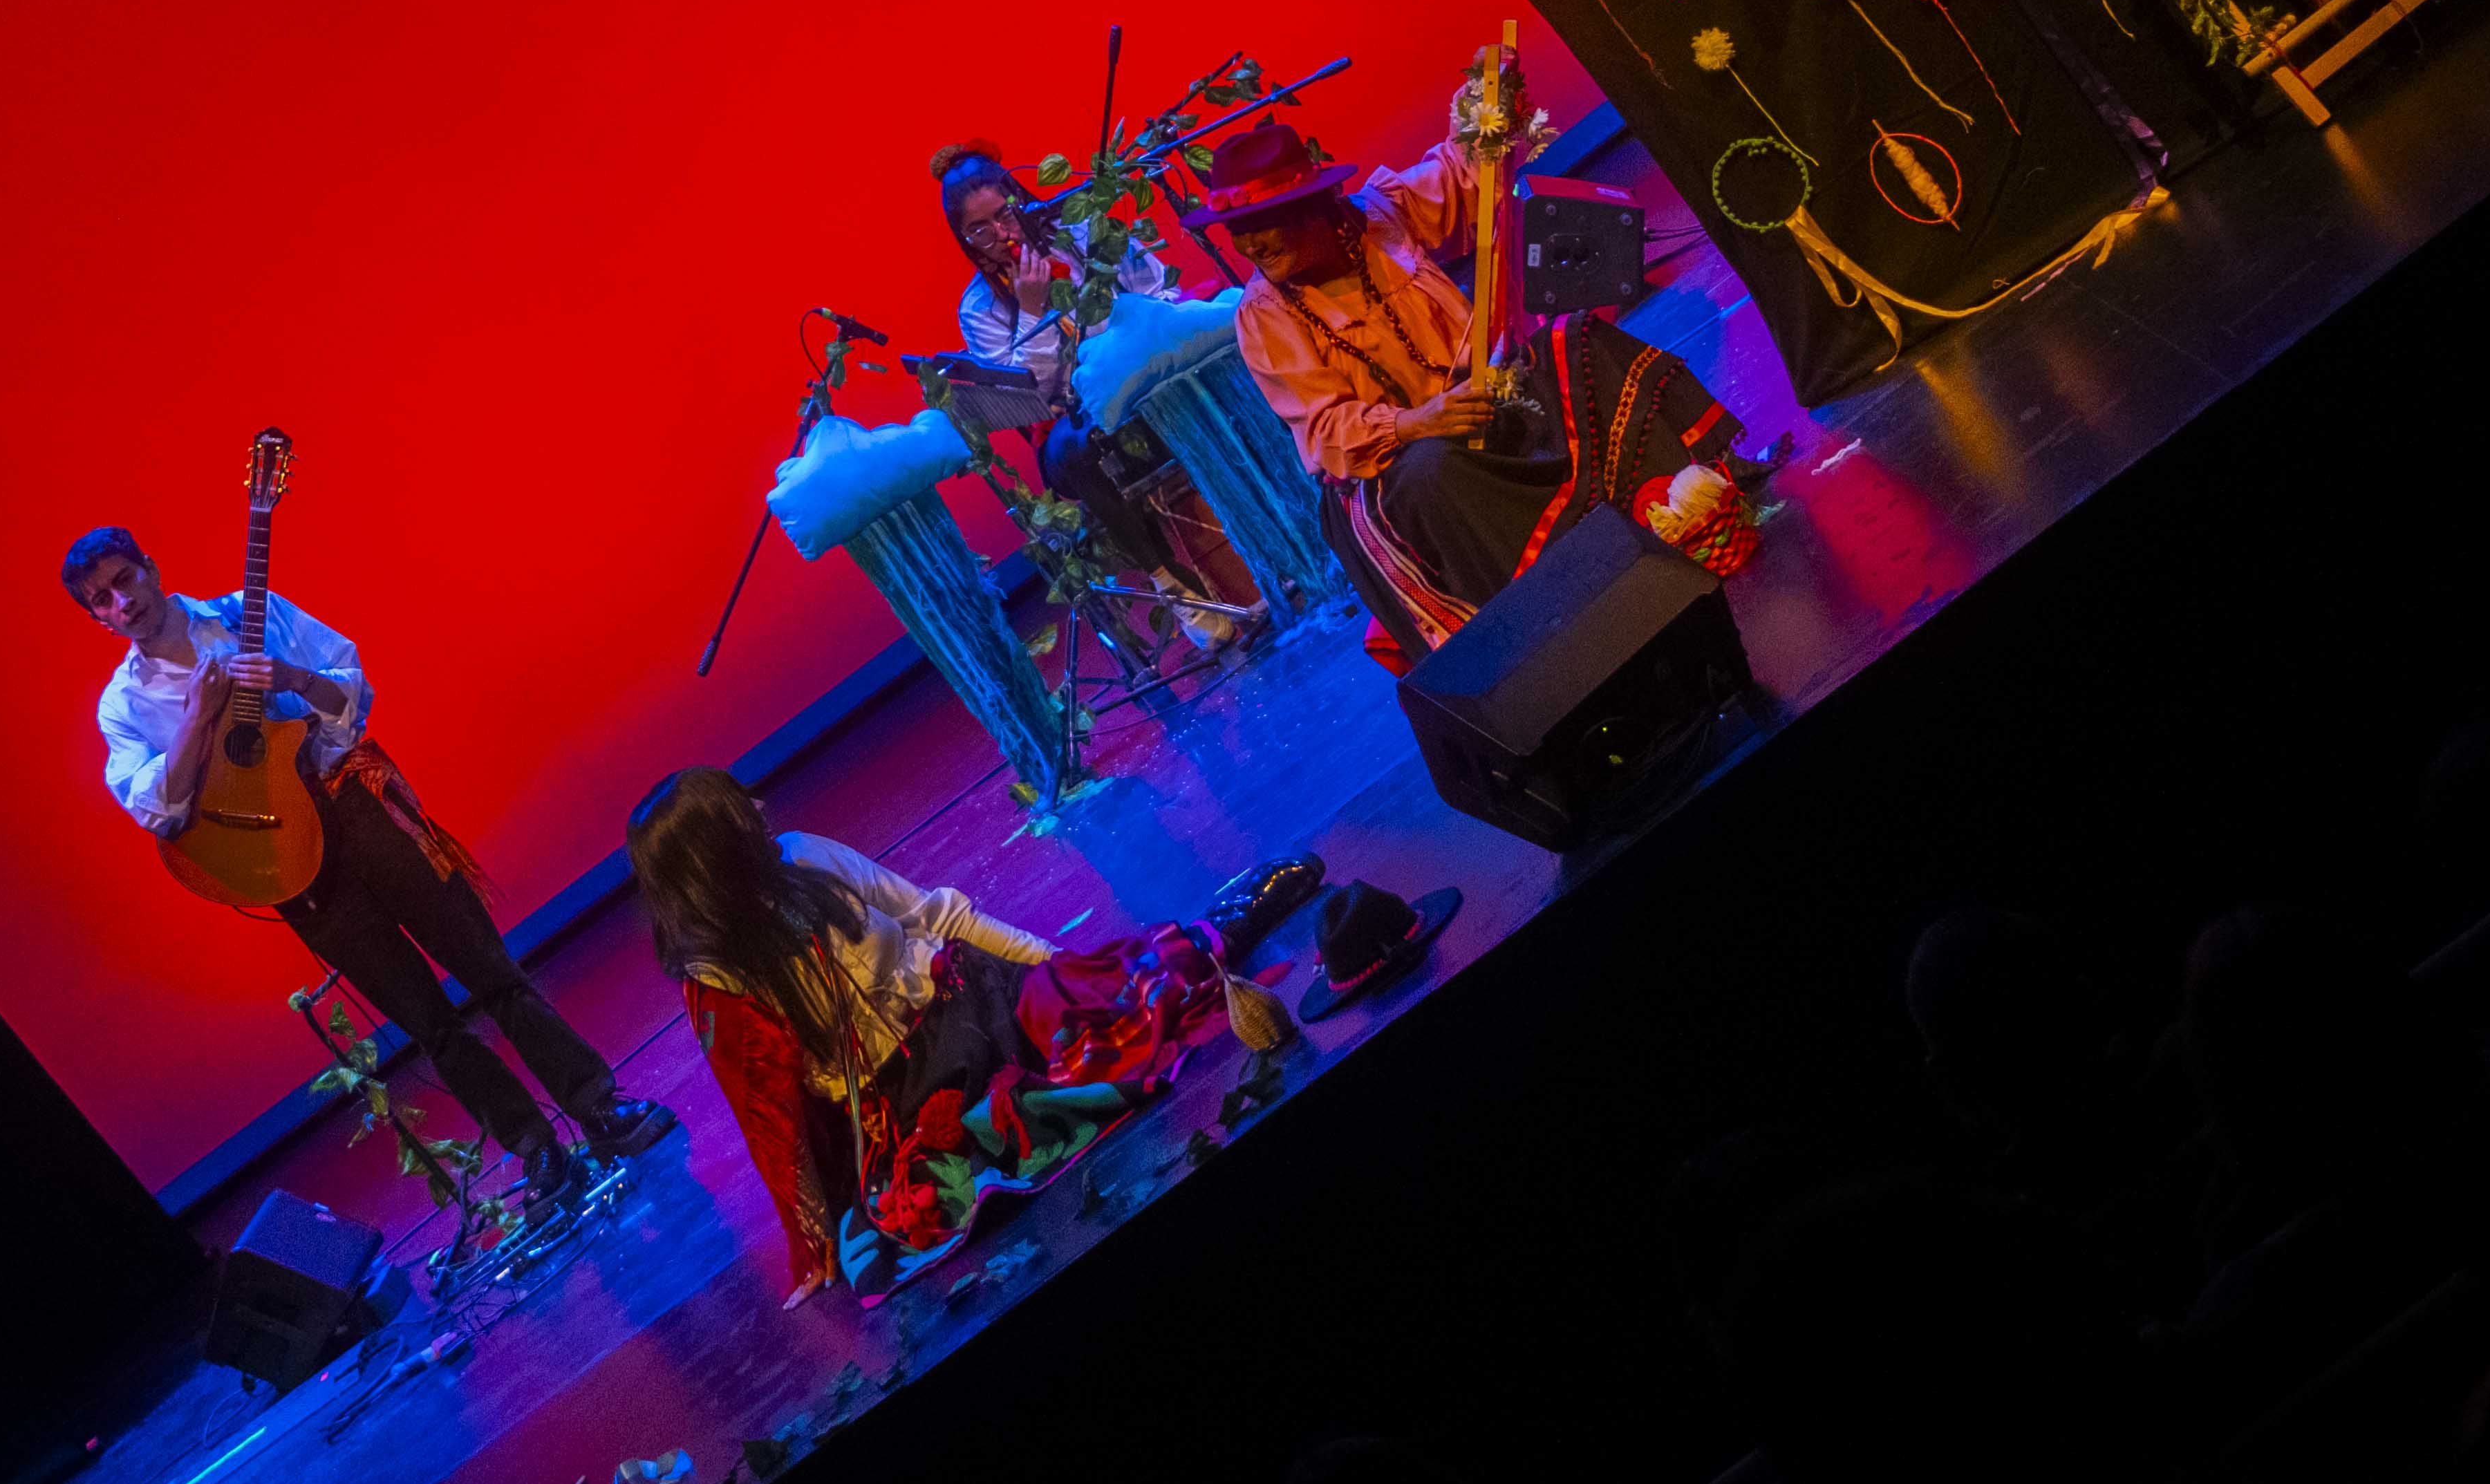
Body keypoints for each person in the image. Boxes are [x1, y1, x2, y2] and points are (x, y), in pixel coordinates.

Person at [68, 525, 668, 1199]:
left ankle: (597, 1106)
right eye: (102, 599)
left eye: (124, 580)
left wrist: (292, 678)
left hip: (355, 805)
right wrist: (196, 718)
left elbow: (352, 694)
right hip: (289, 859)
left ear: (151, 568)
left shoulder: (247, 612)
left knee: (487, 967)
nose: (121, 602)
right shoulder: (122, 706)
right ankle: (535, 1149)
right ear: (96, 618)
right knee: (426, 1020)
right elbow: (158, 809)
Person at [1192, 97, 1746, 660]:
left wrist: (1489, 101)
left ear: (1312, 207)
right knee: (1437, 469)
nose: (1250, 245)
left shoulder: (1381, 214)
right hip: (1394, 466)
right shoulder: (1264, 316)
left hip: (1484, 398)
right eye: (1236, 230)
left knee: (1576, 340)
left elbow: (1468, 173)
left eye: (1260, 225)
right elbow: (1327, 429)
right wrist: (1418, 422)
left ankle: (1687, 505)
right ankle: (1557, 606)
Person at [626, 764, 1133, 1299]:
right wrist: (813, 1246)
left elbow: (937, 916)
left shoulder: (802, 853)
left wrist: (1057, 962)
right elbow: (767, 1116)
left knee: (1113, 1009)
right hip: (904, 1097)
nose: (759, 806)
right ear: (714, 855)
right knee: (967, 1162)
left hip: (973, 1004)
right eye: (739, 809)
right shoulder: (717, 979)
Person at [933, 140, 1236, 651]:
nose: (1000, 235)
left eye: (1004, 215)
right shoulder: (980, 307)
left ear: (1021, 199)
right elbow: (1029, 394)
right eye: (978, 230)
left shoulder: (1083, 235)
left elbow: (1156, 292)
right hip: (1076, 417)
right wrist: (1032, 311)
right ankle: (1172, 584)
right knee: (1074, 450)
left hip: (1145, 369)